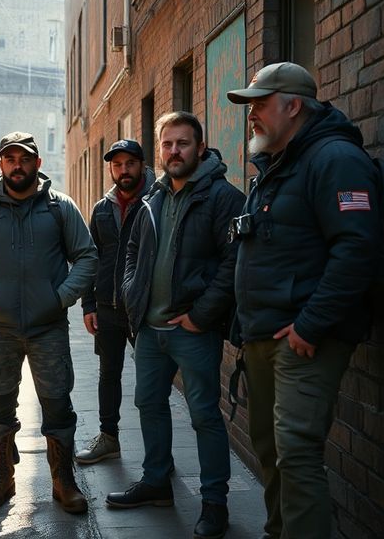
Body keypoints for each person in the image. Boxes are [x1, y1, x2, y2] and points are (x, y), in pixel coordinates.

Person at [227, 62, 380, 539]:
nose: (251, 115)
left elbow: (357, 248)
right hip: (263, 337)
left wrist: (311, 325)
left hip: (303, 340)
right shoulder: (276, 163)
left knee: (295, 452)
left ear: (293, 106)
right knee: (269, 449)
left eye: (259, 105)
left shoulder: (335, 159)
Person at [108, 111, 245, 539]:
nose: (174, 151)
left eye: (182, 143)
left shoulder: (224, 198)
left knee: (204, 415)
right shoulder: (154, 197)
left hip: (193, 330)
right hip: (150, 331)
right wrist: (133, 294)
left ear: (200, 148)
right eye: (167, 144)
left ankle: (214, 502)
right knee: (148, 405)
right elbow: (132, 250)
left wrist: (202, 314)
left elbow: (233, 263)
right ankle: (156, 482)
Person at [0, 131, 98, 514]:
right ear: (1, 164)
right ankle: (1, 476)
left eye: (25, 158)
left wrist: (60, 298)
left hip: (48, 328)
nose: (18, 165)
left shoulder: (59, 208)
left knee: (57, 406)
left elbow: (86, 257)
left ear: (37, 162)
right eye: (10, 159)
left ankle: (62, 480)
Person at [75, 139, 156, 464]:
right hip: (107, 309)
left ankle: (158, 449)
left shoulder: (155, 202)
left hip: (144, 309)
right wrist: (88, 305)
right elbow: (91, 258)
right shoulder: (102, 208)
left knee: (152, 379)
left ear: (141, 165)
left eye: (130, 164)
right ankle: (108, 438)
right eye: (117, 165)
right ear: (111, 168)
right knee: (108, 374)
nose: (124, 170)